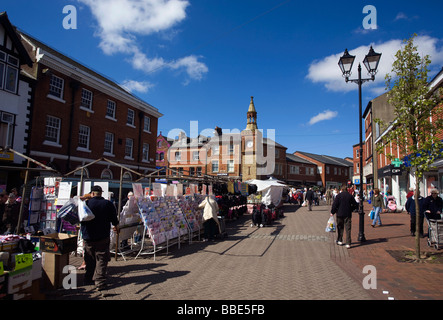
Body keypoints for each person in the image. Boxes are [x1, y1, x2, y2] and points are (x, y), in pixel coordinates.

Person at [81, 185, 119, 292]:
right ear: (101, 193)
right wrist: (116, 226)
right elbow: (114, 219)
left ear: (92, 193)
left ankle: (88, 278)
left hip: (88, 235)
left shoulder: (86, 204)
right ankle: (100, 282)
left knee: (89, 258)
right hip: (103, 235)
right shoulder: (107, 204)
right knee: (101, 258)